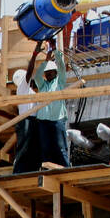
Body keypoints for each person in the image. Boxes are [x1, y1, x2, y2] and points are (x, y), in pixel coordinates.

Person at [29, 41, 71, 169]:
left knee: (60, 147)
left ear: (55, 72)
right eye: (46, 73)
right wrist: (46, 62)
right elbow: (36, 76)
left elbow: (62, 67)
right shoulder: (43, 86)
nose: (48, 74)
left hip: (57, 120)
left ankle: (66, 169)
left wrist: (55, 50)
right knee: (46, 148)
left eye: (50, 72)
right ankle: (48, 169)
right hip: (43, 122)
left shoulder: (59, 82)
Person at [11, 67, 40, 173]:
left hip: (31, 121)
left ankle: (31, 170)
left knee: (31, 148)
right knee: (24, 148)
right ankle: (18, 172)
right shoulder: (23, 88)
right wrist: (34, 56)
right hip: (26, 121)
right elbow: (28, 75)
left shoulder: (28, 91)